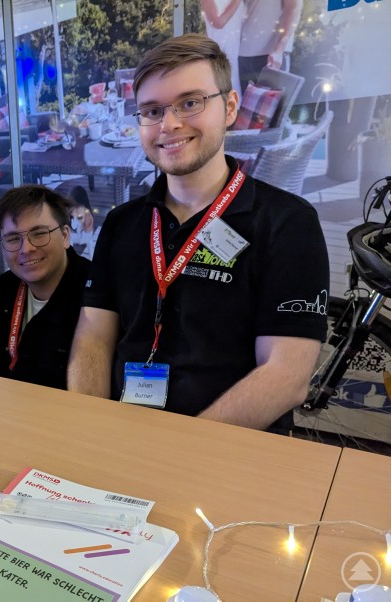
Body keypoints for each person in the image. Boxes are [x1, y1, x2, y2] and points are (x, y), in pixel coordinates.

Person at [67, 34, 328, 431]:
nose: (169, 124)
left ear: (229, 108)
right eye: (152, 111)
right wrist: (92, 430)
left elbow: (285, 377)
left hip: (228, 452)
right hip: (124, 439)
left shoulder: (287, 222)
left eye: (189, 103)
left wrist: (182, 450)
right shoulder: (122, 223)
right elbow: (93, 340)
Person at [0, 185, 89, 389]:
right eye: (13, 238)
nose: (27, 248)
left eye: (39, 234)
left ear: (66, 236)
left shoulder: (97, 295)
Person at [238, 0, 302, 92]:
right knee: (242, 105)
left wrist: (279, 50)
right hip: (243, 54)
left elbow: (293, 8)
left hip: (270, 56)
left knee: (271, 105)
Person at [201, 0, 245, 101]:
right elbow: (218, 23)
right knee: (223, 93)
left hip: (236, 51)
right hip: (221, 52)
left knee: (233, 95)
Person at [68, 185, 101, 261]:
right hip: (71, 235)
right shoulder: (69, 222)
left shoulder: (87, 216)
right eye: (72, 217)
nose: (74, 221)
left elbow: (89, 241)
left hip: (85, 230)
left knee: (89, 240)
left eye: (79, 217)